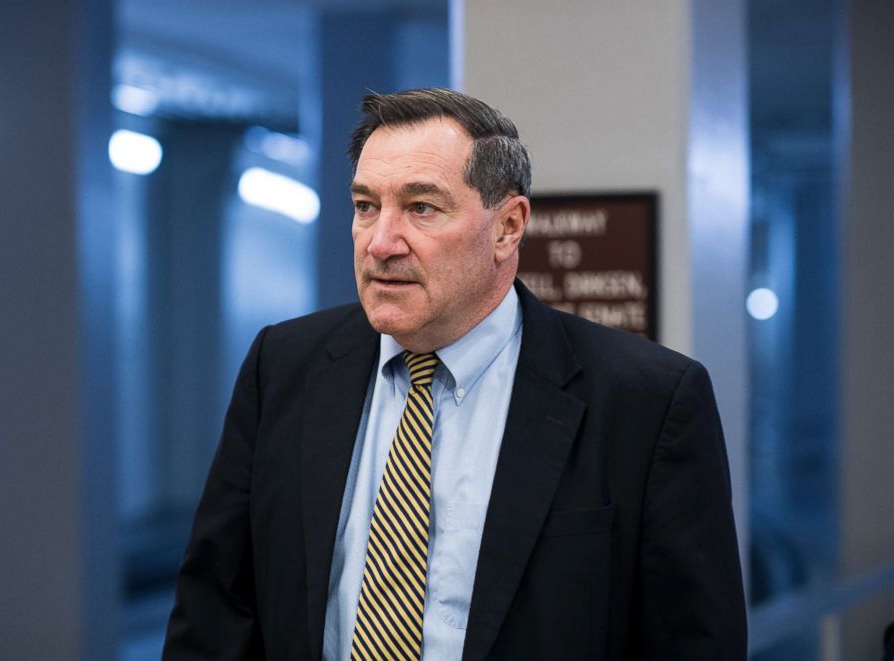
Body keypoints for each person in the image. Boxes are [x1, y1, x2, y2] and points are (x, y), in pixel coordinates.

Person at [162, 88, 747, 660]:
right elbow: (215, 614)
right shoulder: (284, 366)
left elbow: (693, 641)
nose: (381, 243)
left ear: (508, 227)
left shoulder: (646, 401)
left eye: (421, 207)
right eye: (366, 206)